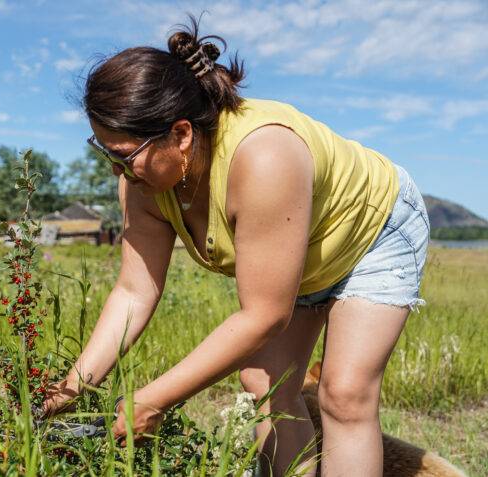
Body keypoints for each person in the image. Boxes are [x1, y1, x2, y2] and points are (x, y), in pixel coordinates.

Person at [43, 14, 429, 477]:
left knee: (344, 395)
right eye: (103, 151)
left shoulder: (264, 157)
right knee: (264, 384)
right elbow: (133, 292)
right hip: (298, 248)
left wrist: (153, 400)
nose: (115, 171)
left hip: (372, 230)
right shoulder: (142, 185)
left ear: (181, 135)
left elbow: (264, 315)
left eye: (124, 155)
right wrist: (72, 388)